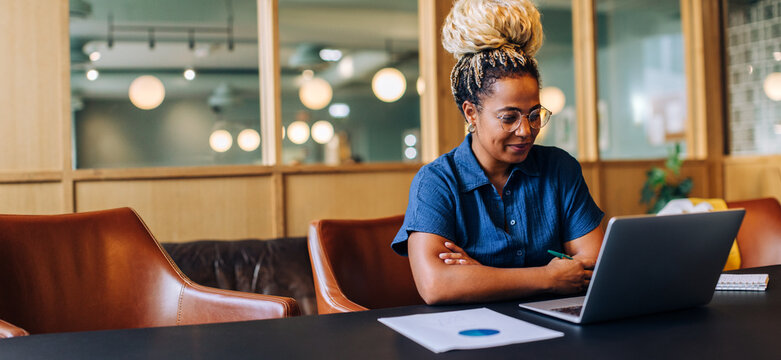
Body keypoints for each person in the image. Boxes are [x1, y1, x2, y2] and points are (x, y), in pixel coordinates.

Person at [391, 0, 605, 305]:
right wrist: (548, 277)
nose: (526, 130)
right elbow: (436, 285)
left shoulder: (559, 168)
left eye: (534, 114)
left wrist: (482, 276)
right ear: (471, 114)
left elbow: (594, 264)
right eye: (509, 117)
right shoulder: (437, 181)